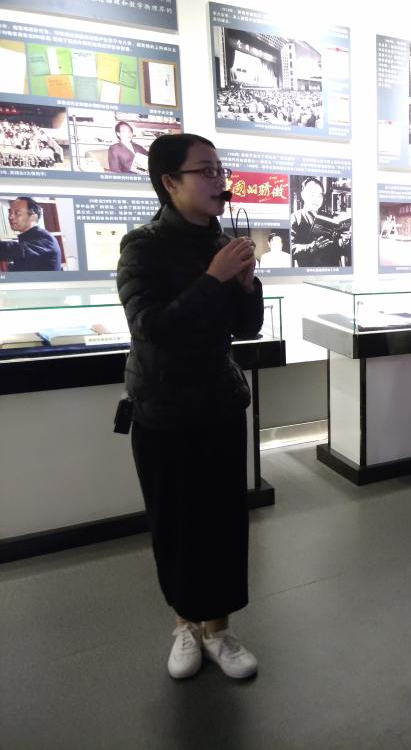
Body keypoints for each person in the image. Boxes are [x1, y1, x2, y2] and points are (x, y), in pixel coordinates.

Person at [116, 133, 264, 680]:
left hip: (218, 403)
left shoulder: (220, 242)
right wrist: (213, 278)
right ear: (169, 182)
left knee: (223, 522)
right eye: (205, 170)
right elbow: (151, 327)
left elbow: (246, 329)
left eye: (220, 169)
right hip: (162, 409)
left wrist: (245, 286)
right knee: (176, 522)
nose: (218, 180)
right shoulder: (142, 246)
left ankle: (218, 630)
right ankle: (184, 624)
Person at [290, 177, 346, 267]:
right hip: (310, 270)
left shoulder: (330, 218)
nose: (316, 199)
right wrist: (312, 247)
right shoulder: (295, 217)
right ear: (303, 195)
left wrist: (343, 241)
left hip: (332, 269)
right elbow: (290, 248)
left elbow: (336, 248)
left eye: (320, 195)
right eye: (312, 195)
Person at [0, 196, 61, 271]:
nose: (10, 217)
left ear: (33, 217)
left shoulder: (47, 239)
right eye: (10, 212)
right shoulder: (26, 238)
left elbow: (17, 250)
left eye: (17, 213)